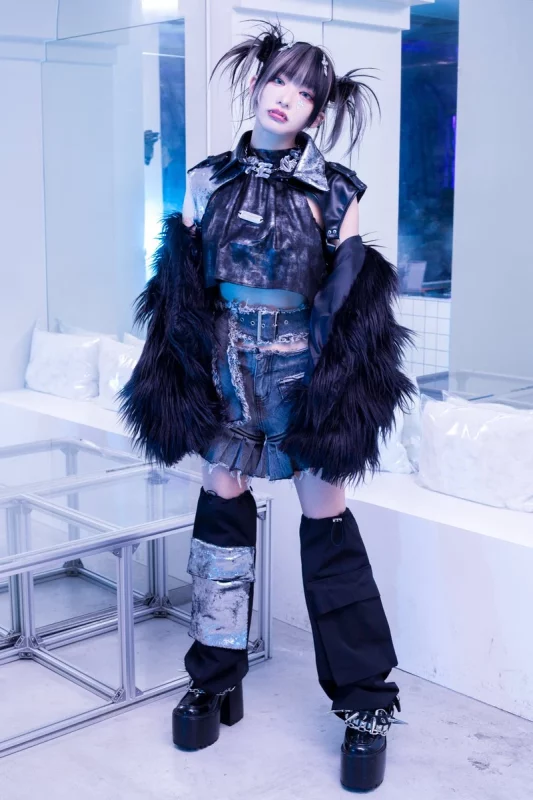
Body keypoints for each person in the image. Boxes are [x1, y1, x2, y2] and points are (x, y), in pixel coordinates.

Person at [119, 19, 416, 793]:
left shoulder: (338, 190)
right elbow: (178, 295)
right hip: (225, 367)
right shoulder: (206, 179)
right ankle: (214, 675)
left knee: (328, 528)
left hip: (303, 372)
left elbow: (350, 310)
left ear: (318, 110)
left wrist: (333, 395)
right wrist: (178, 381)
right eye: (279, 81)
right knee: (220, 528)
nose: (287, 98)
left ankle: (365, 701)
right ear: (256, 84)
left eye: (305, 93)